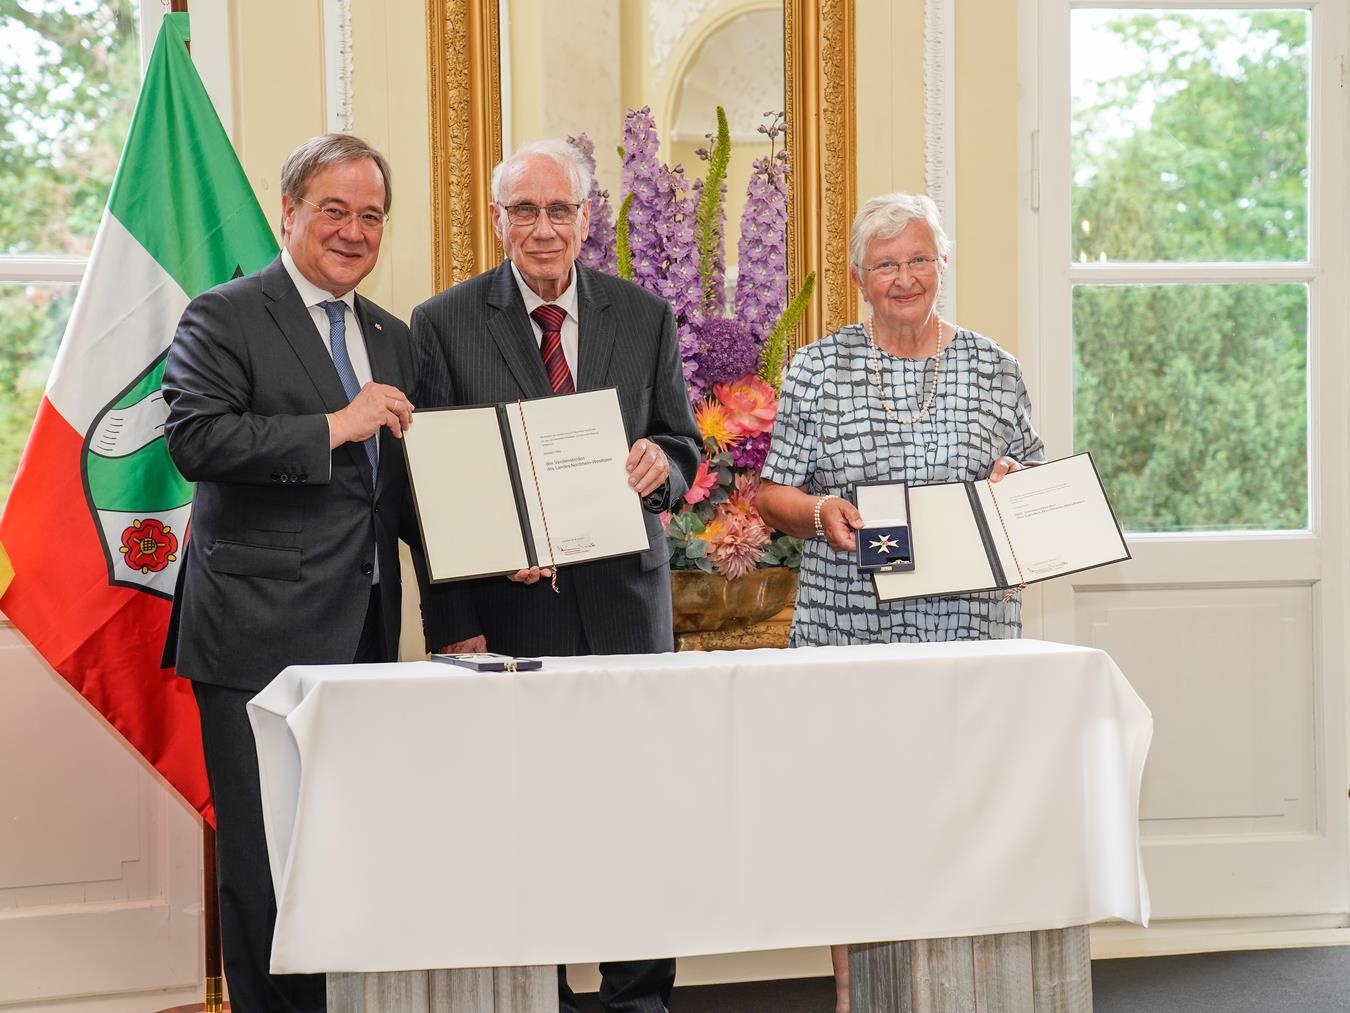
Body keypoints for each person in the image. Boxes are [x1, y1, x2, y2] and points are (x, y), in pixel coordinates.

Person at [410, 138, 700, 1013]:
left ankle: (637, 995)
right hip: (507, 615)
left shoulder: (642, 314)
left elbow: (684, 443)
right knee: (518, 819)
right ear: (498, 220)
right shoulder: (442, 322)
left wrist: (666, 463)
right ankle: (533, 994)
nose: (544, 228)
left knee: (634, 817)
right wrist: (455, 614)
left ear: (587, 217)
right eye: (524, 210)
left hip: (623, 609)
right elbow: (430, 490)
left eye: (560, 209)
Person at [755, 192, 1045, 1013]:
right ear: (858, 278)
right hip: (850, 630)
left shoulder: (993, 365)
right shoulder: (816, 365)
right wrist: (820, 513)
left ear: (943, 265)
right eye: (887, 264)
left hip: (969, 632)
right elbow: (771, 492)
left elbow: (1033, 477)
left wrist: (1015, 489)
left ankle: (962, 984)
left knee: (966, 810)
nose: (906, 277)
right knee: (855, 813)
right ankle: (855, 988)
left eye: (920, 259)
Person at [161, 133, 420, 1013]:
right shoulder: (224, 314)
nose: (354, 231)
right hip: (253, 638)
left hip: (364, 635)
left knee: (345, 854)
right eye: (334, 210)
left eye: (372, 215)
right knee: (264, 864)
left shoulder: (392, 332)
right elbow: (195, 439)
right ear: (290, 212)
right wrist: (333, 425)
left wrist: (502, 551)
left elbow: (404, 492)